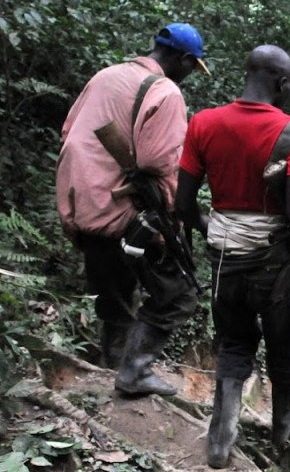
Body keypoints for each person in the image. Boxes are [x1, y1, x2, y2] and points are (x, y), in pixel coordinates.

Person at [175, 44, 290, 469]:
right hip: (277, 268)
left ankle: (220, 438)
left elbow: (183, 204)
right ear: (281, 83)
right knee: (285, 348)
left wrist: (214, 230)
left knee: (235, 341)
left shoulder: (203, 123)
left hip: (226, 261)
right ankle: (281, 432)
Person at [56, 23, 208, 396]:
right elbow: (159, 160)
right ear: (183, 59)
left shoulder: (106, 75)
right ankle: (134, 372)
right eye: (193, 66)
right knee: (179, 295)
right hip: (125, 210)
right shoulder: (165, 91)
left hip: (82, 204)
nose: (190, 75)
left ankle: (113, 367)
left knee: (115, 294)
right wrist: (177, 213)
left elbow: (69, 130)